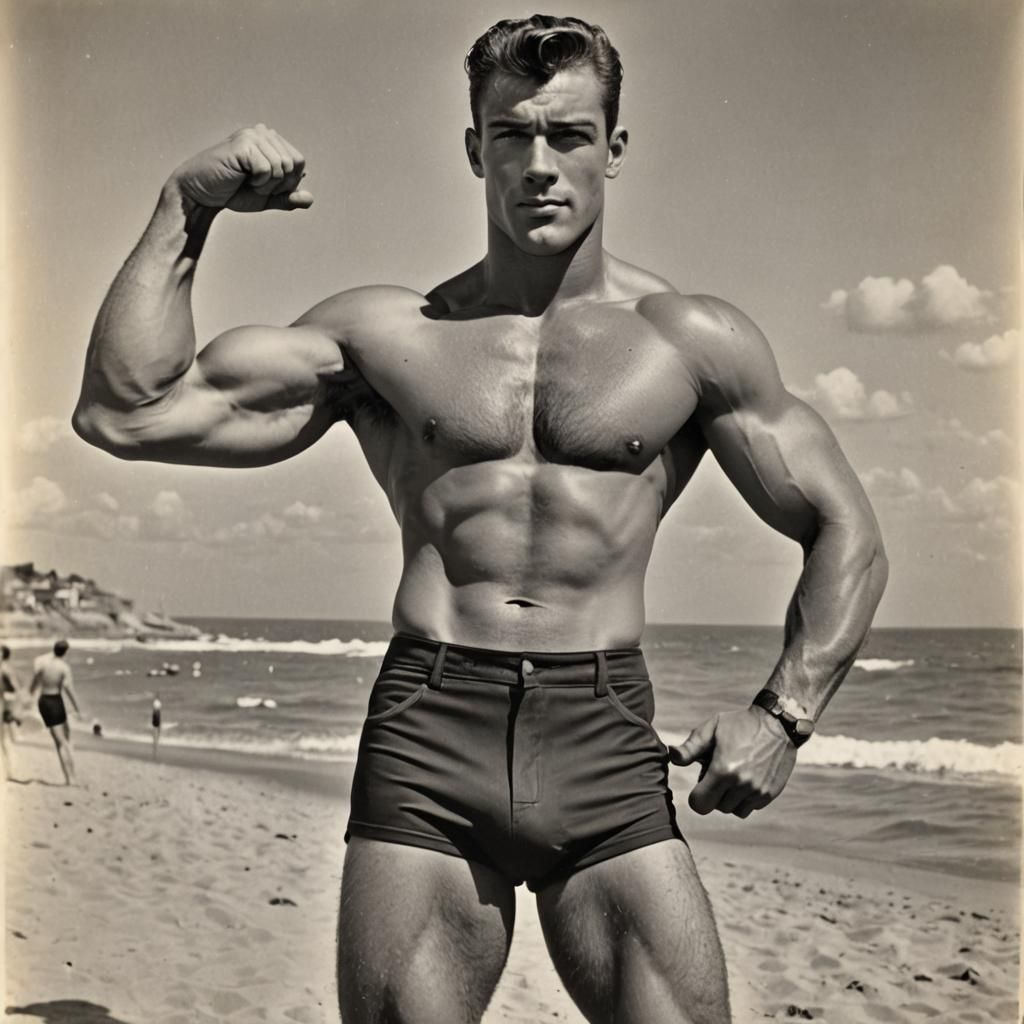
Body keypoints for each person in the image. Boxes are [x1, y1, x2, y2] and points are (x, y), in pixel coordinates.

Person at [72, 14, 888, 1023]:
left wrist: (782, 715)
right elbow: (125, 409)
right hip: (430, 734)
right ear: (474, 148)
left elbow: (845, 527)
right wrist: (184, 209)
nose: (539, 164)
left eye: (569, 136)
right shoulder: (385, 336)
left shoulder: (688, 343)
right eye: (511, 134)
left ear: (615, 150)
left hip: (604, 741)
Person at [29, 639, 82, 786]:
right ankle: (70, 778)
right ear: (66, 652)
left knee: (63, 738)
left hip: (44, 701)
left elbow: (33, 687)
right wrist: (78, 708)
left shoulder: (43, 664)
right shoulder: (64, 668)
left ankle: (69, 776)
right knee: (63, 741)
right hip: (55, 702)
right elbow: (68, 689)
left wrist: (28, 703)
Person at [2, 644, 23, 775]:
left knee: (4, 740)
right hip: (4, 705)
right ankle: (9, 771)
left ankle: (10, 771)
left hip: (3, 705)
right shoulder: (4, 669)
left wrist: (14, 710)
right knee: (4, 740)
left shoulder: (5, 670)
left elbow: (16, 689)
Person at [151, 694, 162, 760]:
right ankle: (156, 745)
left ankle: (155, 744)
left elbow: (154, 710)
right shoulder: (158, 703)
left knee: (155, 730)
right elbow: (158, 711)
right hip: (157, 715)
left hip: (155, 715)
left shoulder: (155, 702)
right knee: (157, 730)